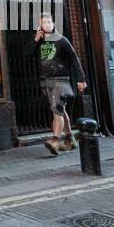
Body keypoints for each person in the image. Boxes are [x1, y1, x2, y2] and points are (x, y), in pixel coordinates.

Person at [34, 13, 86, 156]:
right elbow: (25, 54)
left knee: (57, 109)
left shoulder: (62, 40)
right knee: (59, 110)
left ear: (53, 23)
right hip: (46, 81)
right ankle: (70, 139)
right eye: (43, 23)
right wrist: (35, 40)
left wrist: (81, 79)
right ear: (40, 27)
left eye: (49, 22)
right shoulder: (40, 42)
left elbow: (74, 59)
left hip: (60, 80)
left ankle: (55, 140)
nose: (47, 25)